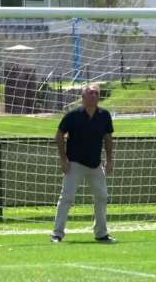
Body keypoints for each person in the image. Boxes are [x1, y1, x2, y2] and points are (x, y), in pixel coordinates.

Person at [51, 83, 115, 243]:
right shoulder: (73, 115)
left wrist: (110, 160)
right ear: (83, 97)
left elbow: (108, 138)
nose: (94, 96)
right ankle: (57, 234)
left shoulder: (104, 115)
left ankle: (101, 233)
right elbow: (59, 135)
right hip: (75, 164)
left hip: (95, 164)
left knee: (102, 197)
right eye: (91, 93)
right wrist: (63, 159)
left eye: (96, 93)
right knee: (66, 198)